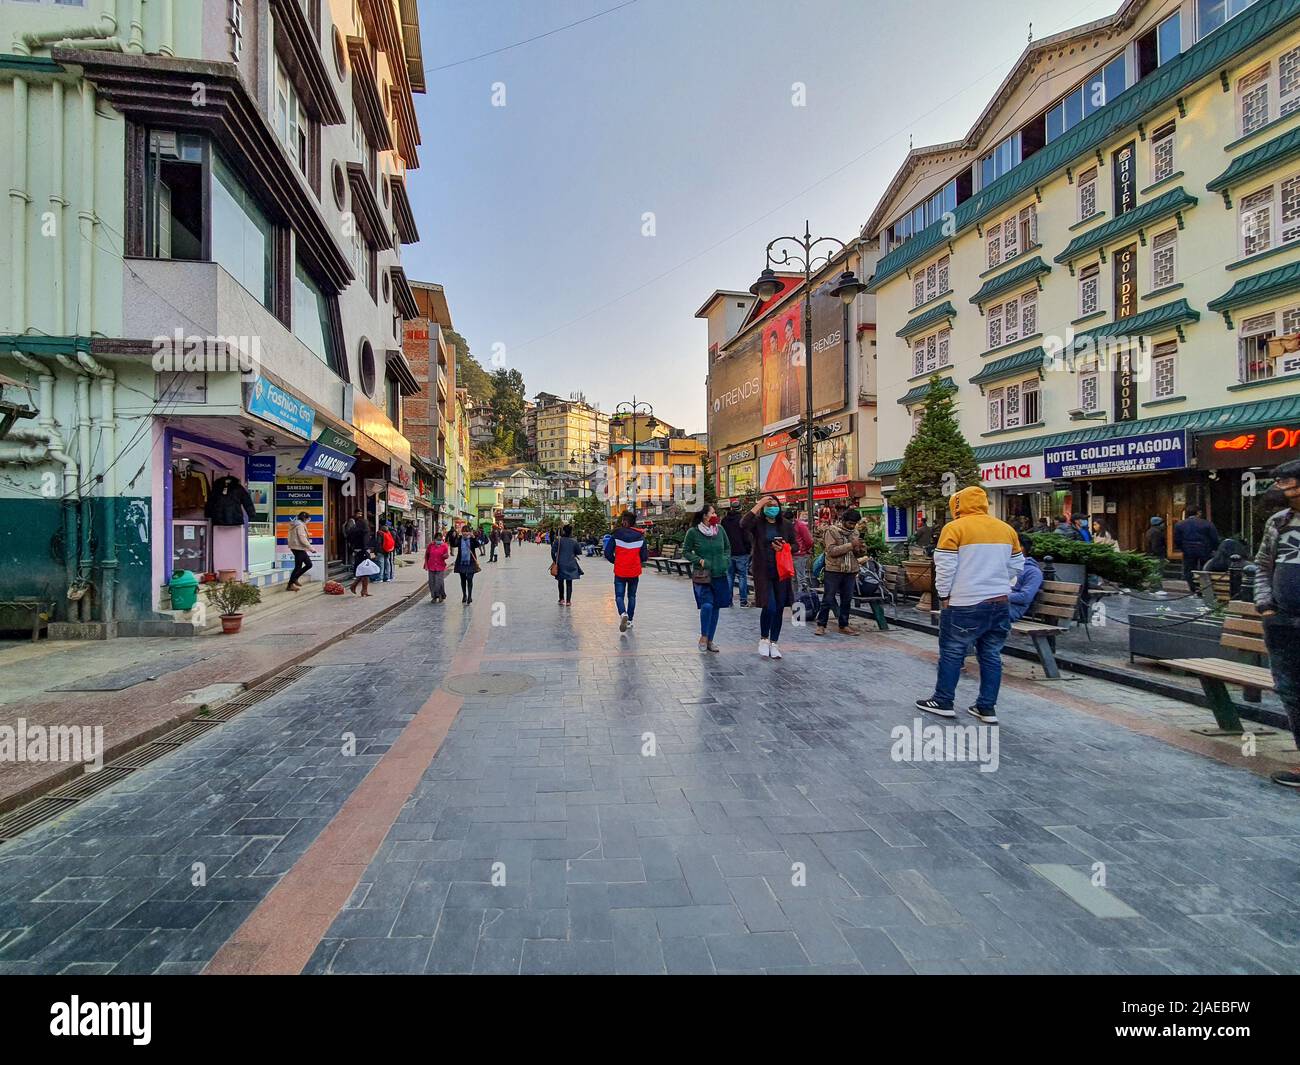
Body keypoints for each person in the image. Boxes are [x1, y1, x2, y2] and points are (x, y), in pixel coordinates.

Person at [916, 486, 1023, 724]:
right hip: (999, 602)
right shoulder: (1006, 529)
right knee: (991, 654)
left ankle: (943, 700)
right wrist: (1000, 583)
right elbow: (1017, 566)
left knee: (953, 651)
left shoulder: (954, 528)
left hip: (965, 602)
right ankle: (986, 707)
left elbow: (945, 567)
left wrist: (944, 596)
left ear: (958, 505)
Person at [1254, 460, 1300, 788]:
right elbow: (1262, 565)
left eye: (1287, 482)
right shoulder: (1279, 522)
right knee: (1290, 691)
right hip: (1282, 621)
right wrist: (1266, 606)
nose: (1282, 488)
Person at [741, 494, 795, 659]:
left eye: (774, 504)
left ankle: (774, 642)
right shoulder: (758, 524)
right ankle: (764, 639)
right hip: (763, 570)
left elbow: (796, 544)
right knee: (769, 606)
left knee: (779, 607)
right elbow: (743, 524)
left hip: (781, 570)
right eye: (768, 505)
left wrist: (785, 547)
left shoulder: (785, 525)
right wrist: (759, 504)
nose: (772, 507)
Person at [682, 503, 732, 652]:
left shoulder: (720, 530)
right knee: (707, 605)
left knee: (716, 607)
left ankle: (710, 640)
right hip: (703, 575)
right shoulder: (693, 532)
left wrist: (725, 560)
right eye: (713, 513)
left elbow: (728, 548)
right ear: (705, 516)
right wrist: (699, 561)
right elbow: (686, 551)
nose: (715, 515)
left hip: (720, 574)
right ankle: (704, 635)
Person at [815, 508, 865, 636]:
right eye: (850, 523)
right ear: (843, 521)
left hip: (850, 569)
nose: (852, 526)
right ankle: (821, 624)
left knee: (847, 599)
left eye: (854, 524)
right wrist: (850, 545)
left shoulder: (855, 532)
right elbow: (831, 551)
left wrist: (860, 548)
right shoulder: (831, 531)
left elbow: (857, 553)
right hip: (834, 570)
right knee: (828, 597)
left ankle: (844, 624)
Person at [605, 511, 648, 633]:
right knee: (632, 596)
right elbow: (644, 557)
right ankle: (629, 620)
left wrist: (616, 561)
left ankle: (623, 613)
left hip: (620, 570)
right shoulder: (640, 537)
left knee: (619, 596)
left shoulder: (616, 535)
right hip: (634, 571)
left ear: (624, 522)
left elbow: (607, 553)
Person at [1174, 505, 1221, 593]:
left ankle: (1193, 588)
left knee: (1189, 570)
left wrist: (1181, 548)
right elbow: (1214, 538)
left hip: (1188, 549)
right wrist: (1214, 548)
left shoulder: (1179, 524)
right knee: (1205, 568)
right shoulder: (1207, 523)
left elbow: (1177, 539)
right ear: (1198, 513)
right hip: (1204, 549)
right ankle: (1204, 588)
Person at [721, 504, 752, 607]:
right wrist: (748, 549)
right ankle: (743, 601)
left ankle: (729, 601)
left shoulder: (724, 520)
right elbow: (746, 537)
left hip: (729, 552)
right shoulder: (742, 520)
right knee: (742, 577)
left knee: (730, 577)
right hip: (741, 552)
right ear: (740, 509)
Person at [1008, 546, 1044, 621]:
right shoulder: (1004, 566)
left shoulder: (1033, 572)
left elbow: (1025, 597)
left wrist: (999, 596)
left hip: (1012, 609)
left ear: (1021, 548)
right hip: (993, 605)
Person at [346, 512, 376, 597]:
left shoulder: (353, 531)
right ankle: (356, 586)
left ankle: (363, 590)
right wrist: (368, 550)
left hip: (357, 552)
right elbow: (365, 543)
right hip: (364, 552)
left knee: (364, 571)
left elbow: (350, 540)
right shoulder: (364, 532)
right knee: (365, 571)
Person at [551, 524, 582, 605]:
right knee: (569, 582)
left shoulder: (559, 541)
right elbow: (579, 552)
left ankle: (561, 599)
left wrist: (555, 561)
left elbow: (552, 552)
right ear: (571, 532)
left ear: (563, 531)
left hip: (560, 564)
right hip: (571, 563)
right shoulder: (574, 541)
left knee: (560, 581)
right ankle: (568, 601)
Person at [451, 527, 480, 603]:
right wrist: (454, 537)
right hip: (461, 562)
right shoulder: (459, 539)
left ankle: (470, 596)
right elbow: (454, 544)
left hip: (471, 562)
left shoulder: (472, 539)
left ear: (470, 532)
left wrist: (474, 538)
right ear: (461, 532)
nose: (465, 533)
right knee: (463, 579)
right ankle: (464, 595)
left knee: (470, 579)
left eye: (467, 531)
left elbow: (478, 545)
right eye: (464, 531)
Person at [286, 511, 313, 591]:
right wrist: (311, 548)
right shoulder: (300, 525)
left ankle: (295, 579)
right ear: (305, 518)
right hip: (298, 547)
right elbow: (302, 538)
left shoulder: (296, 524)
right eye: (308, 518)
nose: (309, 520)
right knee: (300, 566)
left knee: (308, 564)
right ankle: (290, 584)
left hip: (297, 547)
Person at [790, 509, 815, 594]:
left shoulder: (800, 526)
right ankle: (795, 598)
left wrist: (804, 550)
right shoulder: (789, 526)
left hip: (799, 555)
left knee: (801, 578)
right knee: (793, 578)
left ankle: (802, 598)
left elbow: (809, 541)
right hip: (790, 554)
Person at [424, 534, 450, 603]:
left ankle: (440, 595)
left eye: (440, 540)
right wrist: (426, 565)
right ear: (434, 539)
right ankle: (434, 596)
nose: (439, 541)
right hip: (431, 566)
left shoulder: (444, 546)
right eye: (437, 539)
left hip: (440, 566)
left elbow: (446, 555)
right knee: (431, 582)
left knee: (439, 582)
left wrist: (445, 556)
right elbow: (427, 555)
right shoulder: (430, 545)